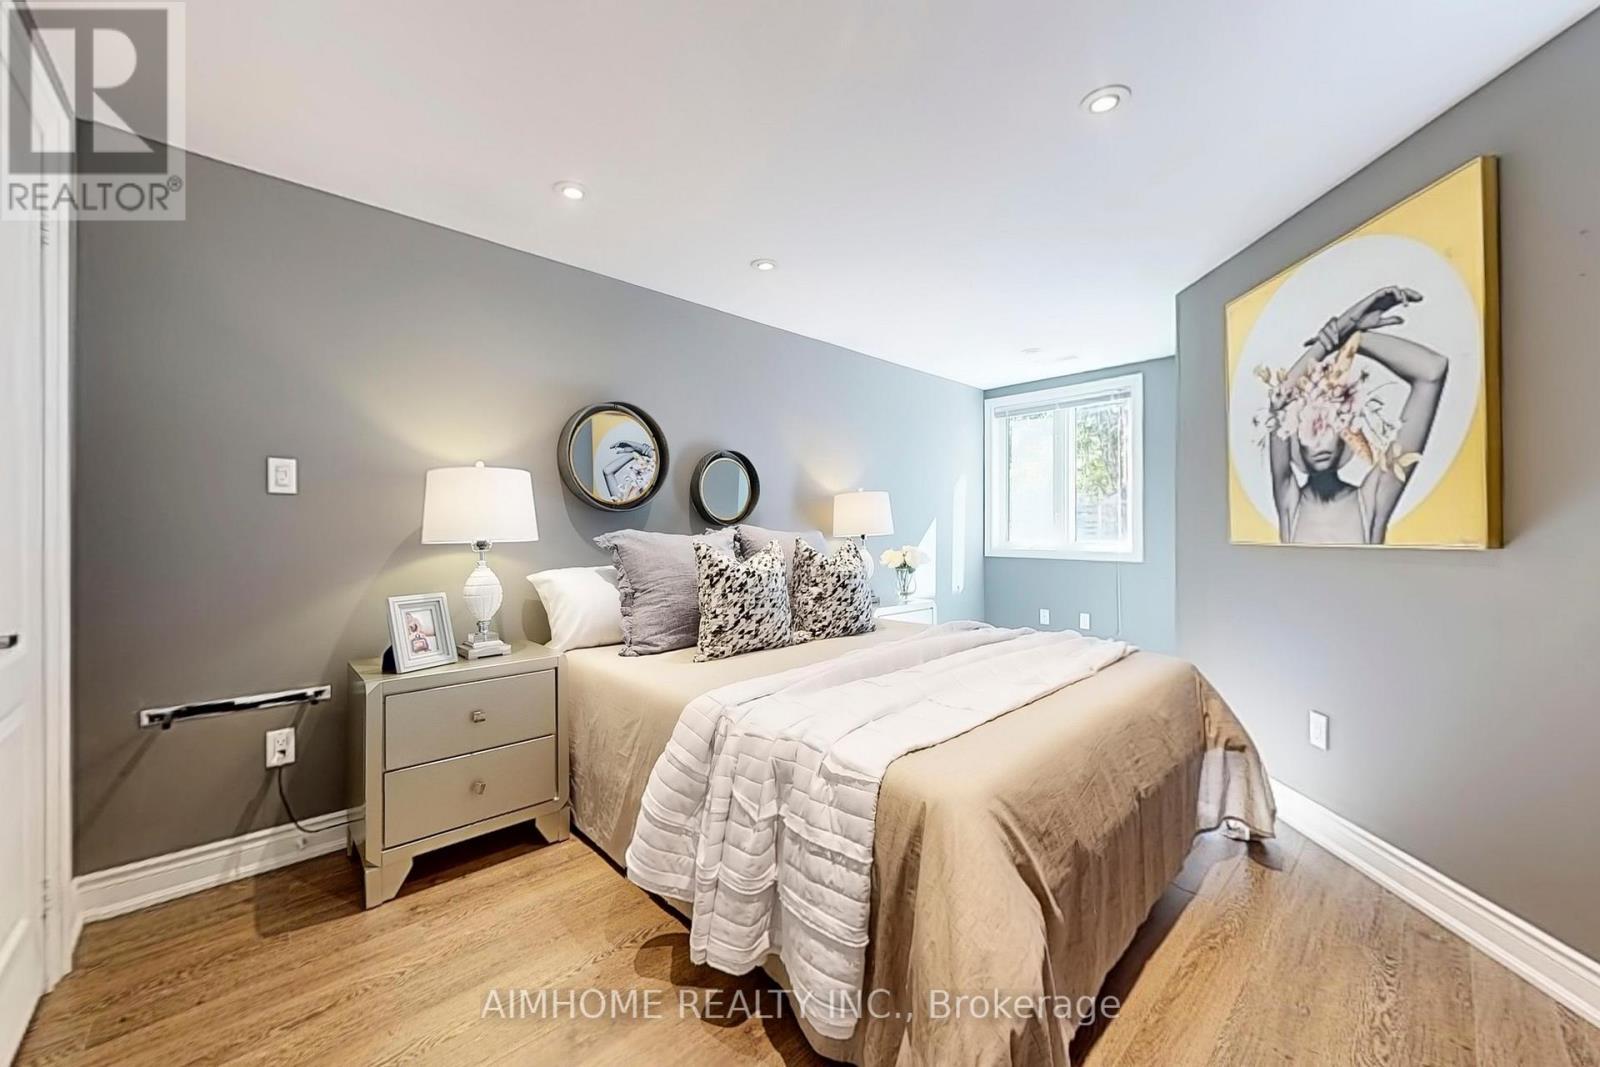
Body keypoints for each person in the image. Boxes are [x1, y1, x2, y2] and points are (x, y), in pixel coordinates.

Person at [1258, 286, 1449, 545]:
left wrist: (1353, 338)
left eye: (1327, 424)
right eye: (1309, 427)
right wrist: (1339, 333)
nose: (1319, 441)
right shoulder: (1289, 501)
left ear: (1344, 431)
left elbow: (1432, 371)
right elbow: (1280, 400)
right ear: (1294, 439)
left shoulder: (1372, 499)